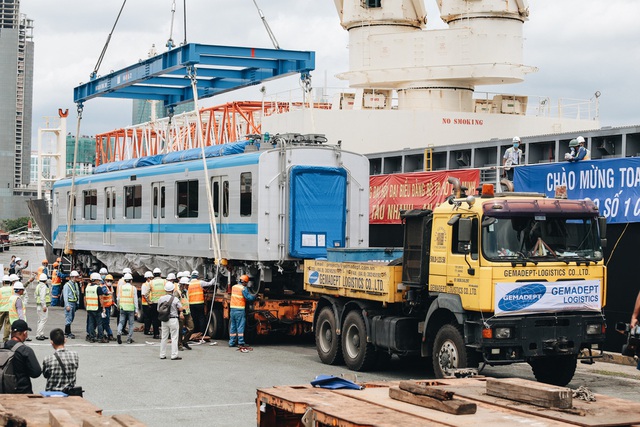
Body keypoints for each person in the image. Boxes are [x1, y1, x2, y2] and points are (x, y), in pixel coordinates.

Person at [3, 320, 41, 393]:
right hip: (22, 391)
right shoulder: (25, 350)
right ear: (25, 333)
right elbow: (36, 373)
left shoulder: (2, 347)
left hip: (3, 390)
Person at [41, 328, 79, 392]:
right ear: (65, 340)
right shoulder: (75, 355)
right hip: (69, 393)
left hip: (52, 394)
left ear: (51, 342)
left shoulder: (48, 359)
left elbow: (45, 374)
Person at [229, 275, 257, 348]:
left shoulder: (233, 287)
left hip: (232, 309)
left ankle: (232, 342)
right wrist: (255, 296)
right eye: (246, 283)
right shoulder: (243, 288)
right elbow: (248, 297)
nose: (246, 284)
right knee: (240, 326)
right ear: (244, 282)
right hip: (239, 310)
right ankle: (241, 342)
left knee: (233, 326)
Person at [158, 282, 182, 360]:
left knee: (164, 337)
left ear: (165, 290)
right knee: (174, 338)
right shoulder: (175, 299)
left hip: (164, 320)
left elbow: (158, 309)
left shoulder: (161, 298)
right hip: (173, 319)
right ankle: (174, 355)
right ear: (173, 290)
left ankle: (162, 354)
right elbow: (180, 308)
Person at [188, 270, 216, 336]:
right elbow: (210, 283)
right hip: (199, 303)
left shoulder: (188, 283)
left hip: (191, 304)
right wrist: (214, 278)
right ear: (197, 276)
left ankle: (195, 332)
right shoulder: (200, 282)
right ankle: (202, 332)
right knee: (201, 317)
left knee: (194, 318)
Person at [116, 273, 138, 344]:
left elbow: (118, 298)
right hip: (131, 308)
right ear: (131, 280)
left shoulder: (121, 288)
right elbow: (135, 300)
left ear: (125, 280)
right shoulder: (133, 288)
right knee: (131, 324)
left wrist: (118, 306)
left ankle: (119, 333)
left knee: (121, 322)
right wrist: (136, 310)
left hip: (123, 307)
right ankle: (129, 339)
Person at [85, 273, 106, 343]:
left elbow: (85, 299)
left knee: (91, 323)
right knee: (99, 323)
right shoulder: (98, 288)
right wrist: (103, 307)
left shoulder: (87, 287)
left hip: (89, 308)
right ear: (96, 280)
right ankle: (100, 337)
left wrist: (86, 308)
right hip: (96, 308)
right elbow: (101, 299)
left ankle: (92, 337)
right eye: (99, 280)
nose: (99, 281)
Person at [63, 271, 81, 339]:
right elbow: (65, 296)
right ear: (73, 277)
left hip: (74, 303)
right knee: (68, 318)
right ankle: (67, 332)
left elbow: (77, 293)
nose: (77, 278)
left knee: (71, 317)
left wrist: (77, 303)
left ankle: (68, 332)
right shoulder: (67, 285)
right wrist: (67, 305)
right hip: (69, 303)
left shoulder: (75, 284)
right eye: (76, 277)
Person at [149, 268, 166, 339]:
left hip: (155, 303)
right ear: (160, 274)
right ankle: (165, 334)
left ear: (153, 275)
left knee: (155, 319)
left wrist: (149, 301)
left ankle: (156, 334)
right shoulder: (165, 281)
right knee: (164, 319)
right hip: (164, 303)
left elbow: (146, 293)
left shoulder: (151, 282)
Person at [178, 276, 193, 351]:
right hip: (181, 313)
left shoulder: (186, 292)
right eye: (187, 285)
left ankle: (185, 341)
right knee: (180, 330)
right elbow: (176, 303)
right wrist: (180, 312)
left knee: (191, 328)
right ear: (183, 285)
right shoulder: (177, 292)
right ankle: (179, 344)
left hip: (187, 312)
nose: (188, 286)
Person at [34, 274, 51, 341]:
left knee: (40, 320)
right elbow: (42, 297)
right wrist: (44, 306)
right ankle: (39, 334)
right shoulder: (43, 286)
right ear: (45, 280)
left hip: (38, 305)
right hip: (42, 305)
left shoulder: (38, 286)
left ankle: (41, 333)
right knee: (43, 319)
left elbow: (35, 295)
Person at [99, 274, 115, 341]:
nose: (109, 282)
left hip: (108, 307)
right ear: (105, 281)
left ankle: (102, 334)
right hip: (104, 308)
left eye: (110, 281)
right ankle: (109, 334)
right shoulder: (104, 287)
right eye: (108, 280)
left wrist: (113, 302)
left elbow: (111, 297)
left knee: (105, 322)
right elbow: (105, 292)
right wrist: (108, 293)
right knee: (105, 322)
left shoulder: (111, 287)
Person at [0, 275, 12, 342]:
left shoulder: (0, 290)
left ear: (3, 282)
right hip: (9, 309)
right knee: (7, 325)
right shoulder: (12, 289)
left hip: (1, 309)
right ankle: (5, 340)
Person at [140, 271, 153, 335]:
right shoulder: (144, 285)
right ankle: (146, 330)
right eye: (150, 278)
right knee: (147, 318)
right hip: (146, 304)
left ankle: (148, 329)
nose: (151, 279)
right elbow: (144, 295)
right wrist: (148, 302)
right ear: (147, 278)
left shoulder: (150, 284)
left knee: (150, 318)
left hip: (149, 303)